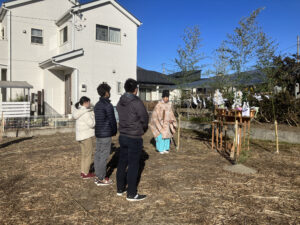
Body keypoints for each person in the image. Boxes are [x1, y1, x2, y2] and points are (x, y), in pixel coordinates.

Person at [116, 78, 149, 201]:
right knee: (134, 165)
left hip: (123, 135)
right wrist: (143, 129)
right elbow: (144, 118)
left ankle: (120, 188)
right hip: (134, 136)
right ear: (136, 90)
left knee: (122, 162)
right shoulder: (136, 102)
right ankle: (131, 193)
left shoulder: (120, 101)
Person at [94, 83, 117, 186]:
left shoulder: (97, 105)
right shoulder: (108, 105)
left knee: (98, 154)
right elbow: (112, 120)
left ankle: (98, 175)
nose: (110, 93)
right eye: (109, 91)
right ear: (106, 92)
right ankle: (101, 178)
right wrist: (114, 131)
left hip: (98, 133)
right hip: (106, 133)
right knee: (104, 155)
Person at [72, 96, 95, 179]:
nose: (89, 104)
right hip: (86, 136)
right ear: (85, 103)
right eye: (89, 102)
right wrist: (93, 116)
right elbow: (92, 124)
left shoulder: (78, 111)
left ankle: (83, 171)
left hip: (80, 136)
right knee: (88, 155)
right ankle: (86, 173)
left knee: (84, 155)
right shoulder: (86, 113)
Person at [150, 90, 177, 154]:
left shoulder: (169, 105)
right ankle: (160, 149)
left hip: (167, 123)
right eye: (164, 97)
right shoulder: (158, 105)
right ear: (162, 97)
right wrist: (160, 121)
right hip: (159, 123)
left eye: (167, 97)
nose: (166, 98)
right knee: (161, 136)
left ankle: (166, 148)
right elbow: (155, 114)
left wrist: (172, 120)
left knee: (167, 136)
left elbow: (171, 114)